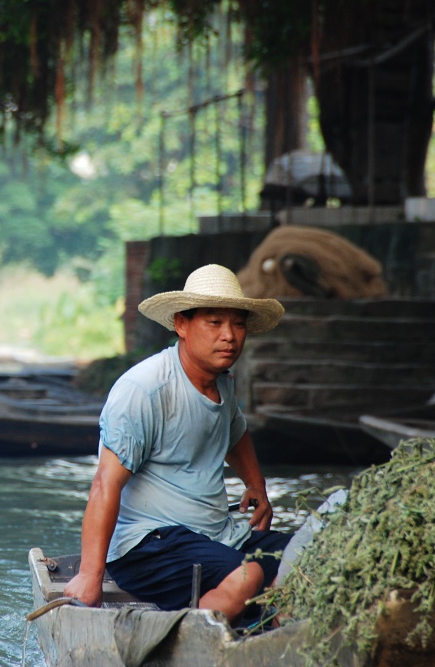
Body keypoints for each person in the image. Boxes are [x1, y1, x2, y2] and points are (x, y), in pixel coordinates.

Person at [62, 263, 291, 626]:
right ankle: (194, 637)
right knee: (249, 575)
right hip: (148, 544)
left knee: (308, 552)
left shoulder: (223, 383)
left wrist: (256, 486)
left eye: (238, 324)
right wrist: (90, 576)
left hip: (215, 535)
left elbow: (236, 432)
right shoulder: (144, 389)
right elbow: (106, 483)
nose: (229, 336)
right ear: (181, 325)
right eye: (214, 323)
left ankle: (264, 618)